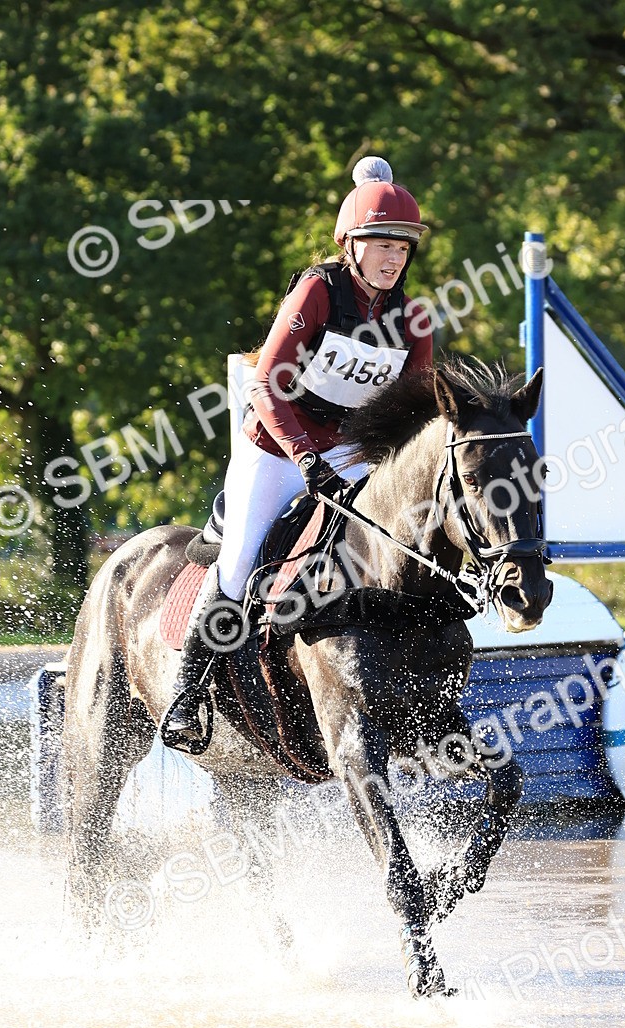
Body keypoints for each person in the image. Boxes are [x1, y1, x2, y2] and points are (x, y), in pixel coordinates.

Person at [163, 155, 434, 742]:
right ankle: (188, 694)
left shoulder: (412, 318)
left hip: (355, 454)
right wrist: (307, 457)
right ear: (350, 244)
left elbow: (419, 412)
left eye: (403, 248)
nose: (393, 258)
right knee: (240, 562)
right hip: (277, 449)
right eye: (381, 245)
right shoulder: (318, 289)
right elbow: (266, 382)